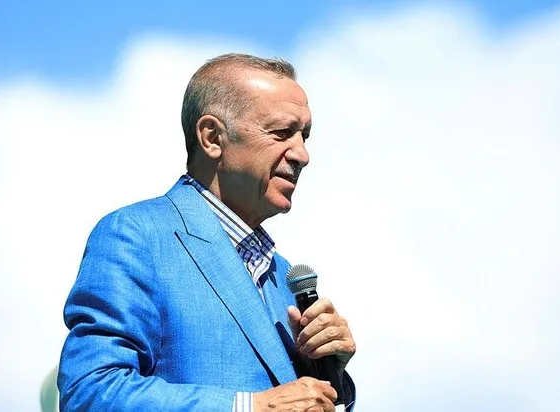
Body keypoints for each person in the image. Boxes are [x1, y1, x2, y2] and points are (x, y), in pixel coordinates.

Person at [57, 53, 356, 411]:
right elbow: (91, 392)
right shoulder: (137, 236)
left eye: (304, 136)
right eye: (281, 133)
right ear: (212, 137)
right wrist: (249, 407)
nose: (302, 155)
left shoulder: (282, 274)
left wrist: (329, 375)